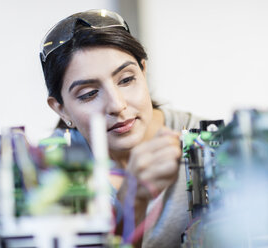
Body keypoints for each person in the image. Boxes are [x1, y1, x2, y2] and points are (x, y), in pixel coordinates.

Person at [40, 9, 201, 248]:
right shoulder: (46, 176)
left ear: (143, 72)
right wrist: (131, 203)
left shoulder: (206, 140)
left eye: (126, 80)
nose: (117, 105)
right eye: (89, 94)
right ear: (61, 109)